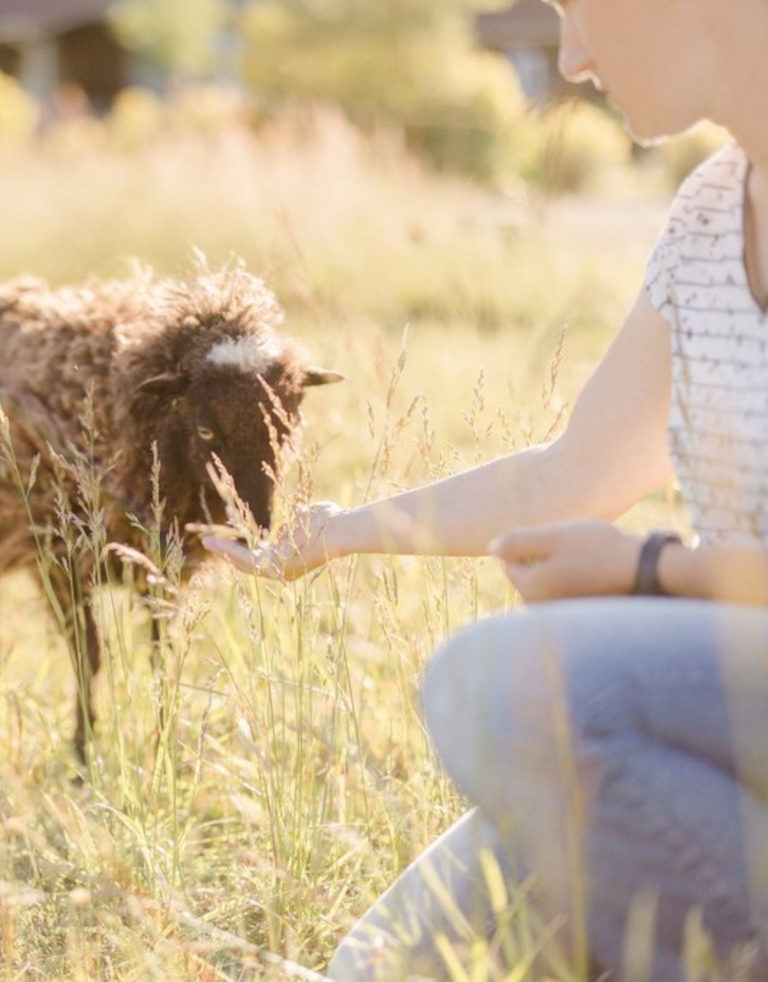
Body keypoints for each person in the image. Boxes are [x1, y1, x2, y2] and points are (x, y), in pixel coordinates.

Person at [204, 0, 768, 977]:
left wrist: (654, 573)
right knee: (378, 965)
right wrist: (337, 531)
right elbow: (570, 476)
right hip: (723, 714)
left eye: (583, 12)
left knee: (500, 685)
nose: (573, 58)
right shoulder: (712, 218)